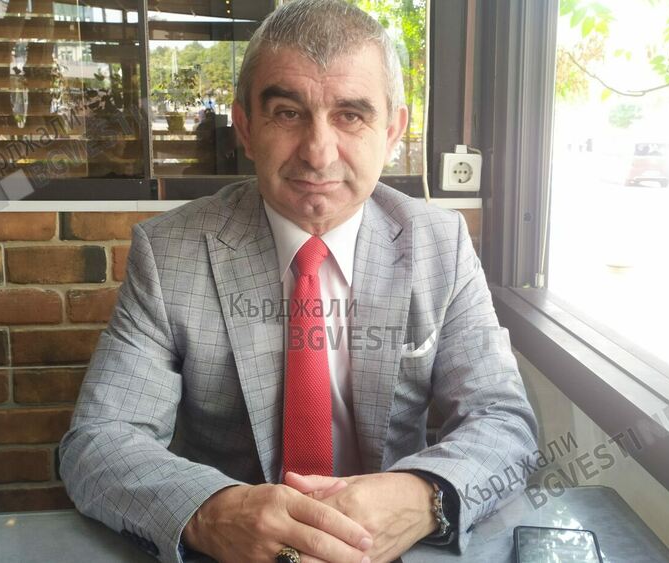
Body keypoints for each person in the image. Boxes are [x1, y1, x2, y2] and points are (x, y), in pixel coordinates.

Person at [58, 1, 538, 562]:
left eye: (351, 116)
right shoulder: (169, 254)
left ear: (392, 131)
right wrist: (213, 511)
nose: (317, 152)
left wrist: (421, 497)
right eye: (288, 113)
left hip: (391, 549)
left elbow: (503, 421)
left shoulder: (441, 245)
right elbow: (98, 440)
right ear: (245, 127)